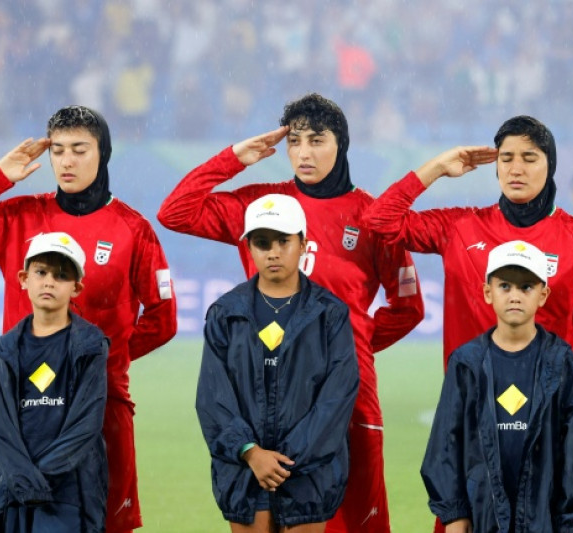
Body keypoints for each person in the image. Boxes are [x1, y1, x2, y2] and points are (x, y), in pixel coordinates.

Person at [158, 93, 423, 533]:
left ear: (341, 144)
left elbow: (408, 308)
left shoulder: (373, 217)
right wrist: (234, 159)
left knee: (358, 522)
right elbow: (175, 212)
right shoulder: (260, 208)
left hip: (346, 396)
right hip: (263, 394)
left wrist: (341, 348)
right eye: (294, 141)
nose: (303, 152)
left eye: (316, 140)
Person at [0, 105, 178, 533]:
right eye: (58, 150)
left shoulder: (132, 229)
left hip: (101, 405)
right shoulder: (18, 217)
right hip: (21, 406)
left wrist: (103, 363)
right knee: (12, 519)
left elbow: (163, 317)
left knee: (107, 525)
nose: (66, 161)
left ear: (104, 154)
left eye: (79, 149)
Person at [364, 115, 573, 367]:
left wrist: (558, 368)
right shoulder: (460, 228)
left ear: (550, 165)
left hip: (549, 404)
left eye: (529, 158)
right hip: (469, 401)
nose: (516, 169)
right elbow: (378, 221)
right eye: (506, 158)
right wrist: (438, 167)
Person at [196, 194, 358, 532]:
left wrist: (284, 461)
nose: (273, 252)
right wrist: (252, 453)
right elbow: (213, 398)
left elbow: (337, 397)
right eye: (261, 242)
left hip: (308, 474)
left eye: (284, 240)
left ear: (304, 244)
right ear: (249, 248)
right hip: (244, 471)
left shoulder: (330, 313)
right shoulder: (226, 313)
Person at [421, 240, 573, 532]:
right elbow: (445, 443)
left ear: (543, 295)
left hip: (545, 518)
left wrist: (571, 521)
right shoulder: (466, 362)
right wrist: (453, 514)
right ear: (487, 292)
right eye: (505, 286)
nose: (515, 296)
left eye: (526, 287)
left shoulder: (562, 361)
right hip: (480, 517)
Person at [0, 232, 109, 532]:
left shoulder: (91, 346)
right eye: (41, 272)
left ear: (76, 287)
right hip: (13, 489)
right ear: (24, 278)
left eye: (61, 275)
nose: (49, 281)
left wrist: (39, 479)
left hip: (68, 493)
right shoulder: (7, 350)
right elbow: (1, 429)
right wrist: (23, 480)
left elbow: (84, 426)